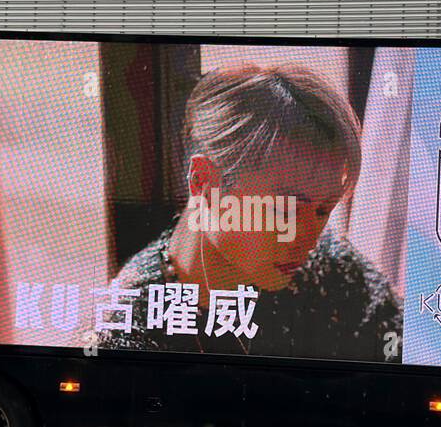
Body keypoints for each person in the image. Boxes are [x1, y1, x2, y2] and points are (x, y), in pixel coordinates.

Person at [99, 64, 401, 362]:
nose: (309, 240)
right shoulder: (130, 325)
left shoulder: (330, 266)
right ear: (204, 182)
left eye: (323, 211)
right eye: (285, 211)